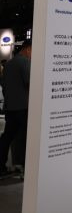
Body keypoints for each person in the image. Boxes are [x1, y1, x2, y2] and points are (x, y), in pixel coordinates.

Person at [0, 40, 31, 178]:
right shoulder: (25, 62)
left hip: (10, 107)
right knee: (24, 137)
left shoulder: (8, 64)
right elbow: (30, 84)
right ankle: (24, 166)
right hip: (23, 107)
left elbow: (4, 86)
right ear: (28, 49)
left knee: (8, 136)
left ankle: (2, 166)